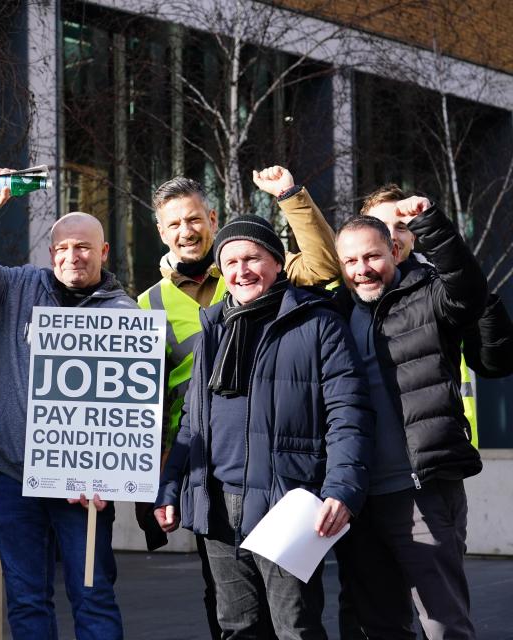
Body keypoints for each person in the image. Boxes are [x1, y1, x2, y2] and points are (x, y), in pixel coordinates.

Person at [136, 166, 341, 637]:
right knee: (230, 613)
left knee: (293, 616)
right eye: (173, 224)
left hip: (276, 472)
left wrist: (290, 197)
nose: (186, 231)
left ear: (211, 217)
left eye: (193, 219)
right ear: (161, 231)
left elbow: (324, 265)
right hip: (205, 471)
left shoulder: (248, 267)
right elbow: (149, 405)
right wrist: (158, 484)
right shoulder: (147, 303)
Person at [0, 179, 132, 640]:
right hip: (15, 478)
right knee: (25, 597)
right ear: (50, 250)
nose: (72, 258)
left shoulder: (126, 315)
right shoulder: (17, 288)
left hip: (85, 486)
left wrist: (107, 474)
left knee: (92, 595)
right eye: (62, 248)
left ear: (104, 251)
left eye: (83, 248)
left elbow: (134, 407)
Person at [333, 200, 487, 640]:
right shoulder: (333, 313)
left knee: (444, 625)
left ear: (394, 252)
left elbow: (470, 292)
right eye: (350, 260)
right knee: (379, 625)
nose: (362, 269)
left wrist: (430, 221)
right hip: (358, 500)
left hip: (421, 491)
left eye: (372, 256)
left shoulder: (429, 294)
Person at [363, 183, 513, 445]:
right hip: (368, 456)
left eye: (401, 227)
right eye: (380, 226)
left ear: (414, 237)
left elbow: (496, 361)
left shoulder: (444, 290)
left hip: (440, 452)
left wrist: (473, 294)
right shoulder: (344, 295)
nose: (391, 235)